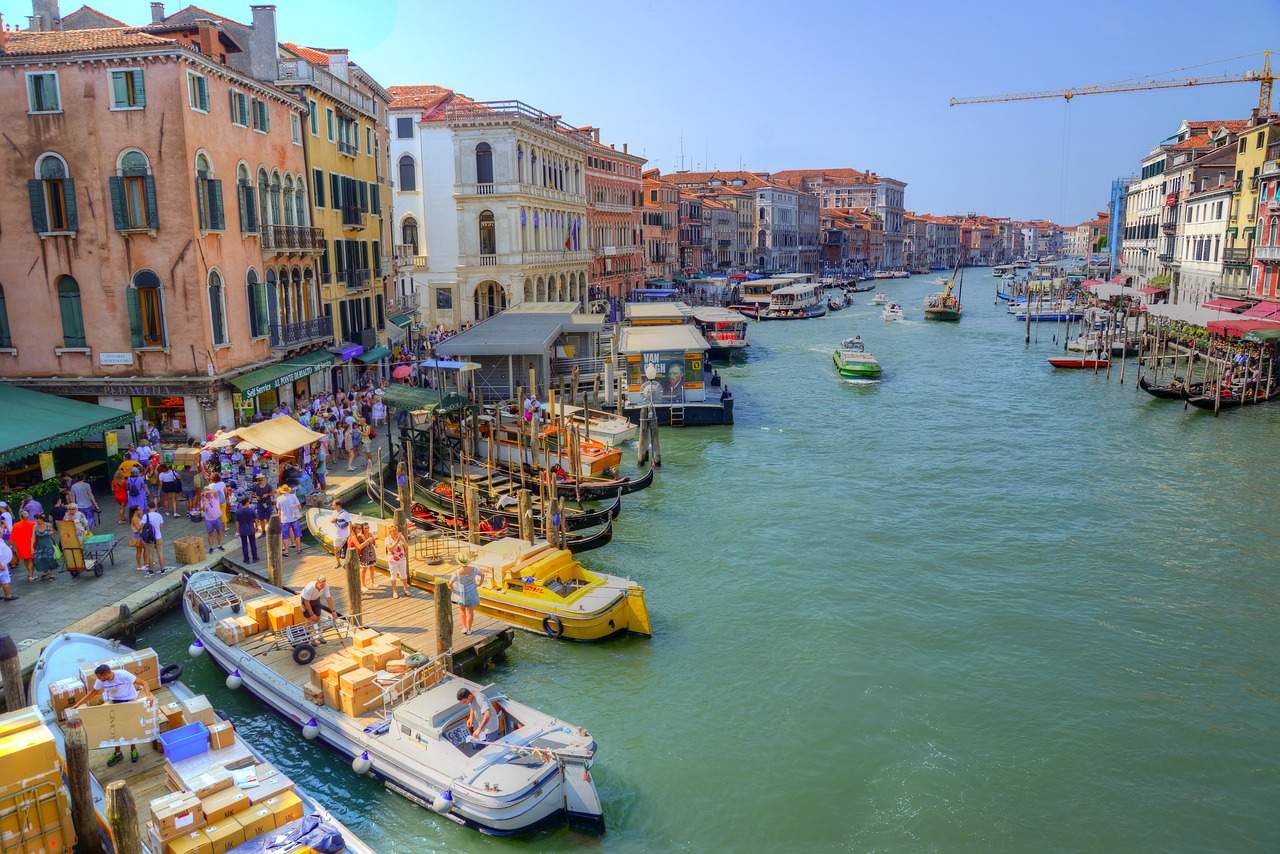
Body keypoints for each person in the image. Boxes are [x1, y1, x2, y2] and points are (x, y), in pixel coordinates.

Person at [70, 663, 154, 766]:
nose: (99, 680)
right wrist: (78, 704)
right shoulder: (100, 680)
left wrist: (148, 696)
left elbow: (143, 683)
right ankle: (118, 752)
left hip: (130, 700)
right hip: (115, 702)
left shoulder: (123, 675)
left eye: (100, 677)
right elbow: (93, 692)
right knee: (115, 727)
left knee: (130, 726)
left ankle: (133, 749)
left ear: (106, 675)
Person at [451, 561, 484, 635]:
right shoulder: (474, 569)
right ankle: (469, 629)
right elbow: (482, 575)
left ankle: (464, 628)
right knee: (470, 610)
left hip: (462, 592)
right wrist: (479, 584)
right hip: (472, 591)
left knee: (462, 609)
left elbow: (450, 583)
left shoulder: (457, 572)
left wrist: (454, 591)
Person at [276, 485, 303, 557]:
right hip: (294, 518)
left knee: (285, 536)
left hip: (285, 519)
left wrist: (279, 518)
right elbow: (299, 506)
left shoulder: (279, 498)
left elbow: (279, 510)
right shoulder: (293, 496)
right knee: (297, 534)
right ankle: (299, 549)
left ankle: (286, 551)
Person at [385, 523, 410, 599]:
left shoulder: (401, 536)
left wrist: (402, 540)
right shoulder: (388, 539)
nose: (395, 533)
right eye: (394, 531)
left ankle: (405, 589)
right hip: (393, 559)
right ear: (390, 532)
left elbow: (406, 546)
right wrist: (396, 542)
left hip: (402, 558)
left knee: (404, 574)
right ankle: (395, 591)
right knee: (393, 575)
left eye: (396, 531)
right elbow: (390, 548)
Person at [142, 499, 166, 576]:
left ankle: (151, 571)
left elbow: (142, 526)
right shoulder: (159, 515)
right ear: (155, 507)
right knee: (160, 553)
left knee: (150, 554)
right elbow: (162, 526)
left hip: (150, 538)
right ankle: (162, 570)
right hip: (158, 537)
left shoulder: (146, 516)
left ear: (148, 508)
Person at [32, 514, 58, 582]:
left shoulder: (48, 525)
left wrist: (50, 532)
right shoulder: (35, 527)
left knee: (50, 558)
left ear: (41, 519)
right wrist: (31, 547)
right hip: (40, 545)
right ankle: (45, 571)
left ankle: (52, 573)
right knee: (40, 559)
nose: (36, 521)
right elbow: (33, 537)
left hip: (48, 544)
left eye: (37, 519)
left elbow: (52, 531)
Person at [11, 511, 36, 582]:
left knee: (25, 559)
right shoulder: (32, 524)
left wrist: (11, 544)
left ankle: (29, 573)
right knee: (30, 559)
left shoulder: (16, 525)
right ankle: (31, 575)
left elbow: (13, 536)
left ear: (20, 517)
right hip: (30, 543)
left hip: (20, 544)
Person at [352, 522, 377, 590]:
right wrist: (366, 542)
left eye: (368, 527)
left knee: (372, 567)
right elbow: (359, 546)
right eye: (366, 528)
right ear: (363, 529)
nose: (367, 529)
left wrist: (375, 544)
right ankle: (363, 585)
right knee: (364, 569)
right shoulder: (360, 536)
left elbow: (373, 541)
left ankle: (372, 582)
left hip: (371, 552)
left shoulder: (370, 534)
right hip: (364, 554)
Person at [235, 496, 259, 563]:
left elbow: (237, 522)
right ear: (247, 503)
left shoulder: (238, 511)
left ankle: (246, 559)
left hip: (242, 530)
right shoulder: (251, 510)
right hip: (251, 529)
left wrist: (237, 531)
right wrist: (256, 526)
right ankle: (255, 557)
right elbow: (256, 519)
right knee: (253, 544)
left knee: (244, 545)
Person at [331, 499, 351, 569]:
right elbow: (331, 520)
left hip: (344, 535)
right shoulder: (334, 513)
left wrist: (351, 532)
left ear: (337, 505)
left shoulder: (345, 513)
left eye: (333, 505)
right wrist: (333, 520)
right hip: (336, 535)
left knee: (346, 549)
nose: (332, 506)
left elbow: (349, 522)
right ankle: (338, 562)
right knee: (335, 549)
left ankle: (346, 563)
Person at [128, 506, 146, 572]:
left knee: (145, 548)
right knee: (139, 550)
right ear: (135, 511)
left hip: (140, 535)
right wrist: (143, 524)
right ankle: (139, 565)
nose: (140, 510)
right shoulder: (134, 519)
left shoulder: (136, 518)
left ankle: (145, 562)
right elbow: (138, 528)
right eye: (139, 509)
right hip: (138, 535)